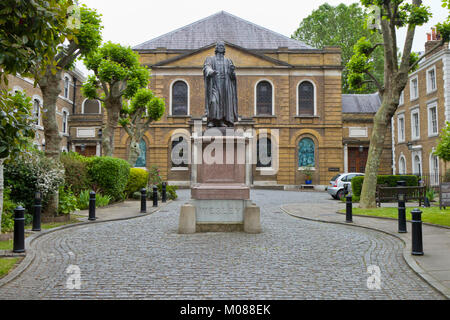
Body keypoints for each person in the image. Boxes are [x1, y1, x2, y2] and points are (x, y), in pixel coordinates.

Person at [203, 41, 238, 127]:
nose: (221, 47)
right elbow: (207, 67)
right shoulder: (210, 59)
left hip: (225, 85)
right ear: (216, 48)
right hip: (214, 84)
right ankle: (212, 120)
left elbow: (232, 76)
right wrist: (211, 72)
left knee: (224, 103)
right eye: (219, 46)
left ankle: (221, 120)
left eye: (223, 46)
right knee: (214, 101)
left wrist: (232, 71)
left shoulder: (228, 60)